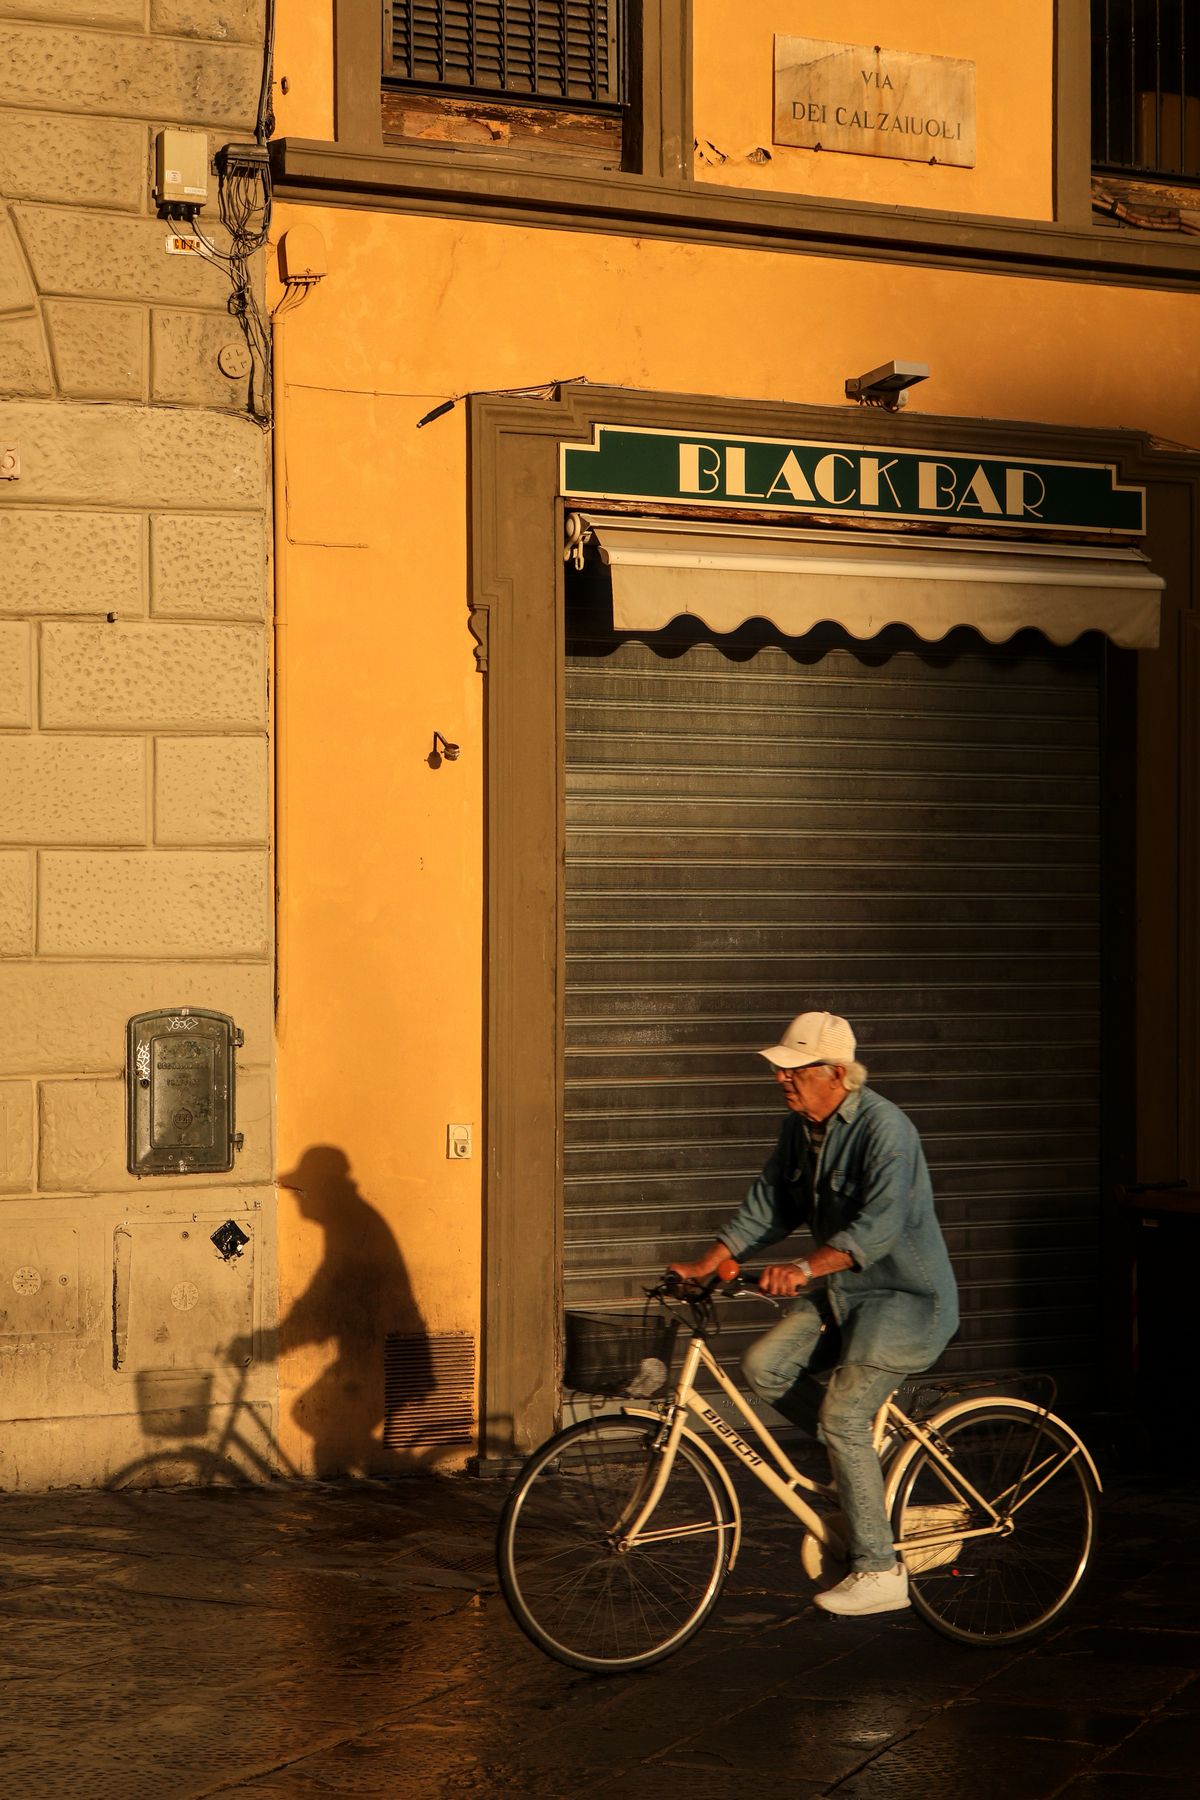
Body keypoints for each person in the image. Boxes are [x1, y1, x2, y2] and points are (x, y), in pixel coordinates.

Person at [669, 1011, 959, 1618]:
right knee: (764, 1365)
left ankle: (880, 1570)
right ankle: (862, 1474)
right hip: (843, 1297)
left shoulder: (887, 1131)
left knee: (843, 1414)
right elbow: (767, 1206)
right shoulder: (799, 1130)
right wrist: (708, 1263)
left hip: (905, 1301)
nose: (782, 1078)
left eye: (793, 1068)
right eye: (781, 1069)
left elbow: (876, 1231)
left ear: (836, 1072)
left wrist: (802, 1269)